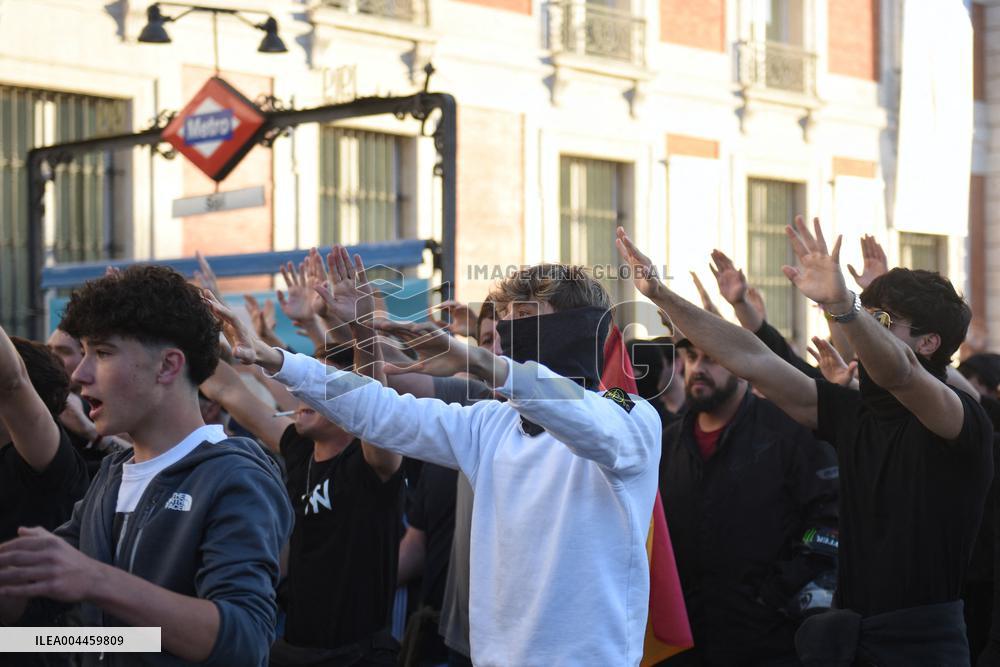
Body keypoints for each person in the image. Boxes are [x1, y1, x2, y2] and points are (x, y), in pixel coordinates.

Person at [208, 255, 661, 667]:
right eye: (502, 320)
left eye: (523, 318)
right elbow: (380, 411)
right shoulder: (491, 422)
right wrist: (277, 360)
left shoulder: (629, 409)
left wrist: (480, 363)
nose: (506, 334)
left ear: (576, 328)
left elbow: (587, 411)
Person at [617, 218, 993, 664]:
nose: (862, 329)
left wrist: (844, 306)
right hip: (848, 642)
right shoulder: (853, 413)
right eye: (866, 316)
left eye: (882, 320)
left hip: (923, 649)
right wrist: (661, 295)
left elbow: (903, 373)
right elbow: (751, 359)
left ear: (930, 342)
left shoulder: (960, 417)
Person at [0, 265, 293, 667]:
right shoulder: (111, 474)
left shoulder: (235, 478)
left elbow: (243, 641)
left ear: (168, 366)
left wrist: (95, 579)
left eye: (101, 353)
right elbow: (107, 639)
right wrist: (14, 635)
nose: (79, 376)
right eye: (82, 352)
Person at [660, 338, 838, 666]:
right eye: (690, 356)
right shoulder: (665, 443)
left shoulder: (789, 434)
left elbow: (826, 526)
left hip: (768, 643)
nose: (698, 369)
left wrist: (777, 591)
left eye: (712, 358)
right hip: (684, 645)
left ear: (742, 367)